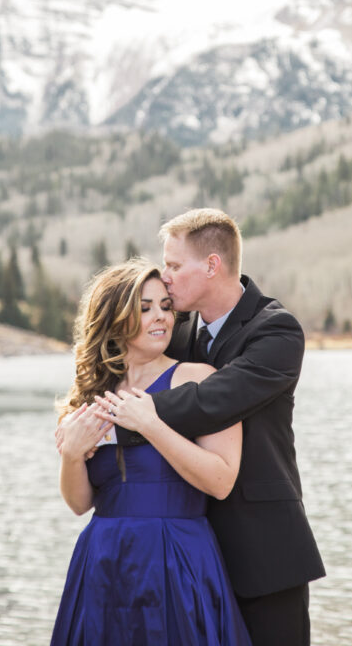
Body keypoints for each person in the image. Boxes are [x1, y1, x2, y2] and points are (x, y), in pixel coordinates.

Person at [101, 209, 325, 646]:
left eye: (174, 265)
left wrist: (124, 421)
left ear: (211, 265)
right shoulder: (177, 331)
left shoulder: (277, 332)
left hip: (264, 553)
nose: (165, 277)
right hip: (187, 555)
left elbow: (214, 400)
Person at [50, 257, 252, 646]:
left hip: (177, 557)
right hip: (104, 560)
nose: (160, 317)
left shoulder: (198, 379)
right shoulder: (93, 396)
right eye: (144, 309)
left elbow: (221, 481)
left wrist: (151, 425)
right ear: (115, 319)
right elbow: (80, 504)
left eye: (165, 306)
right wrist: (71, 456)